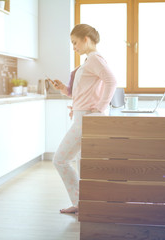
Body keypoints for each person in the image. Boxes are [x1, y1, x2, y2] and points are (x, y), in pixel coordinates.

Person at [49, 24, 117, 214]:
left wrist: (100, 108)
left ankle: (81, 201)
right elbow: (83, 93)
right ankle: (83, 203)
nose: (74, 47)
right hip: (82, 117)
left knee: (60, 159)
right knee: (80, 162)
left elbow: (112, 81)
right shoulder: (89, 61)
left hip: (86, 119)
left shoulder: (94, 59)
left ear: (86, 39)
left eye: (75, 42)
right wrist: (64, 88)